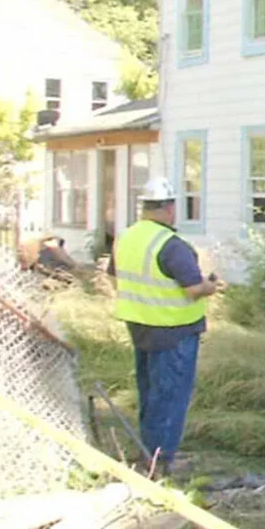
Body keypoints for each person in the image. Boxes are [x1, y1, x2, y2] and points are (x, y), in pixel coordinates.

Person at [110, 176, 225, 477]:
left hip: (139, 324)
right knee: (171, 394)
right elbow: (192, 289)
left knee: (149, 392)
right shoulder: (171, 245)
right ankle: (163, 460)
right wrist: (210, 286)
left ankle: (148, 451)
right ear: (170, 209)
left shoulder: (126, 237)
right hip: (174, 329)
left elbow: (115, 274)